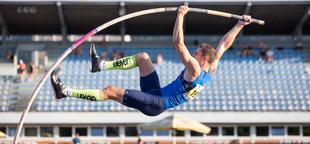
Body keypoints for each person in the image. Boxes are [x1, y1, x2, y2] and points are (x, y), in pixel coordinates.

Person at [50, 5, 252, 116]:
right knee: (143, 57)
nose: (194, 54)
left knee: (110, 90)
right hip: (156, 93)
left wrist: (180, 15)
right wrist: (239, 25)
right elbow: (224, 44)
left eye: (197, 52)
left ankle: (65, 92)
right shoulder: (211, 68)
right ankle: (100, 65)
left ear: (204, 58)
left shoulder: (196, 70)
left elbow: (178, 43)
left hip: (156, 104)